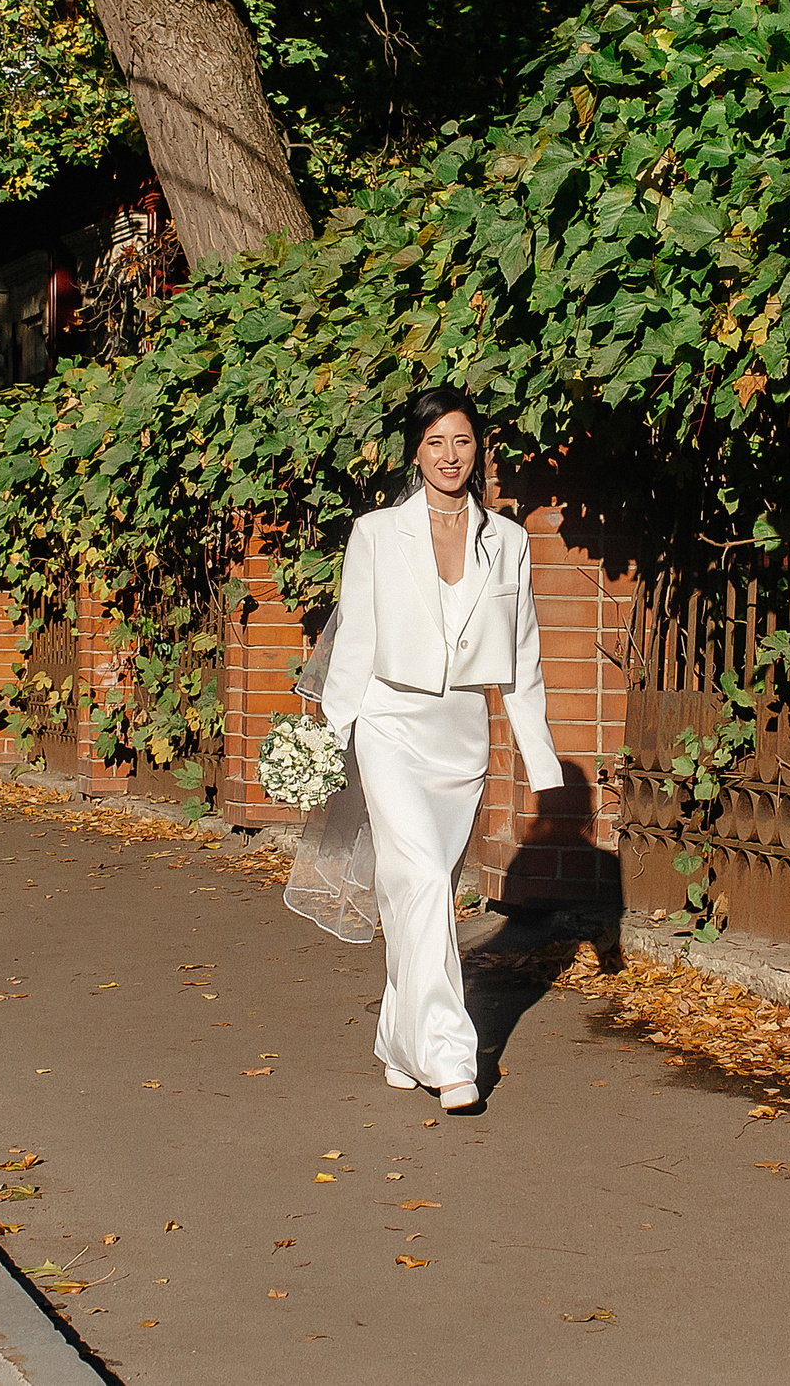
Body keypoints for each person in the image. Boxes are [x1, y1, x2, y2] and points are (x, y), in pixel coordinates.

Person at [312, 387, 562, 1110]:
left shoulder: (507, 542)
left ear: (477, 447)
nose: (450, 456)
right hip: (389, 724)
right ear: (415, 453)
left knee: (426, 889)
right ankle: (454, 1057)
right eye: (434, 443)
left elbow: (524, 657)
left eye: (461, 441)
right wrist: (329, 736)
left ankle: (397, 1033)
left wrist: (538, 757)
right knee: (419, 880)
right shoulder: (376, 534)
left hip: (460, 738)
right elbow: (354, 640)